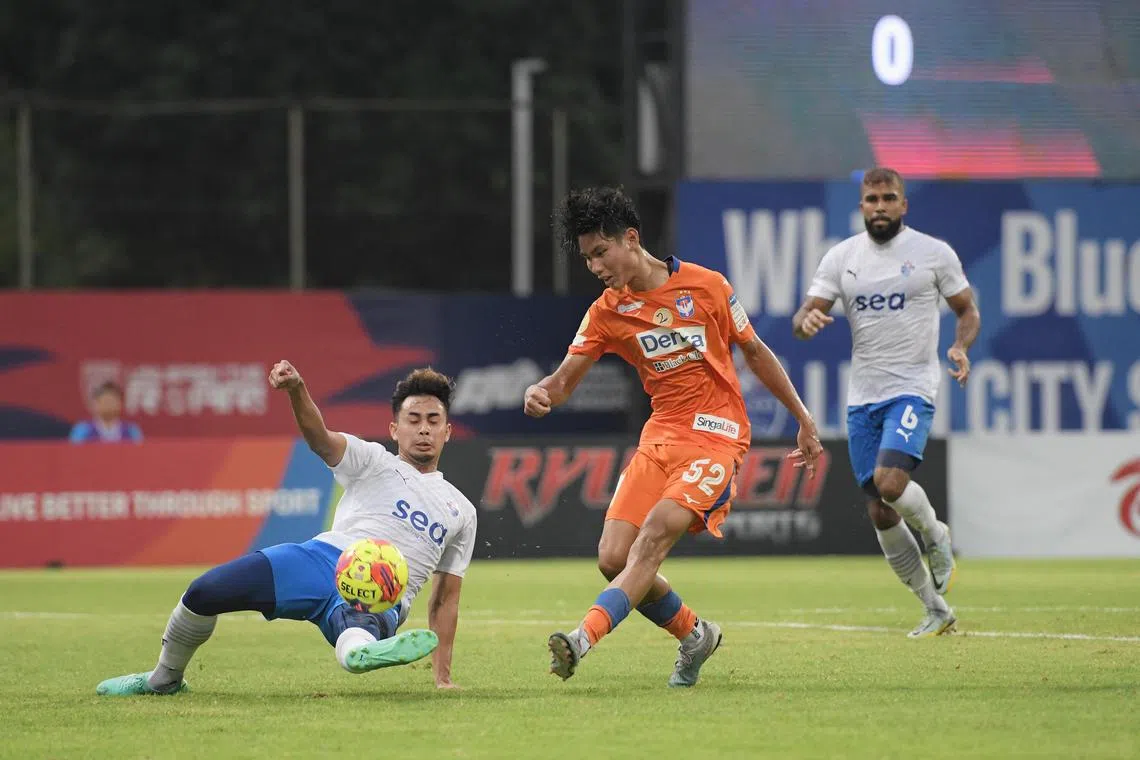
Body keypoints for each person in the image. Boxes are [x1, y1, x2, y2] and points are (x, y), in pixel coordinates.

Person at [524, 186, 822, 687]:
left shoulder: (708, 286)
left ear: (632, 239)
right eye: (587, 258)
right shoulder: (606, 311)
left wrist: (803, 418)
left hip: (717, 436)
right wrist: (541, 392)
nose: (594, 266)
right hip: (659, 437)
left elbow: (756, 352)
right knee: (612, 559)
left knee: (654, 536)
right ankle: (695, 635)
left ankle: (581, 639)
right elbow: (563, 381)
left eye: (601, 252)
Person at [96, 363, 477, 694]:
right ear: (394, 429)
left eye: (433, 421)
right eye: (413, 420)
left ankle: (361, 653)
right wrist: (297, 389)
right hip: (321, 557)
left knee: (356, 627)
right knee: (203, 592)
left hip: (384, 591)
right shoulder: (373, 460)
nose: (423, 429)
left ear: (447, 432)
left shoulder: (460, 510)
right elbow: (320, 438)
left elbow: (446, 599)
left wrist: (442, 677)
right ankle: (163, 679)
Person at [792, 167, 981, 638]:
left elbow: (967, 310)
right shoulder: (842, 257)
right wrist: (806, 323)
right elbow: (804, 314)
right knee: (879, 508)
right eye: (872, 199)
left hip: (912, 387)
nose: (880, 206)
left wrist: (960, 346)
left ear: (903, 205)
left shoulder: (933, 254)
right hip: (863, 398)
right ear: (862, 206)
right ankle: (935, 608)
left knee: (891, 483)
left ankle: (937, 536)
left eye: (888, 198)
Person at [69, 381, 143, 443]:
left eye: (112, 401)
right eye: (104, 401)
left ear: (120, 404)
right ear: (95, 404)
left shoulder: (131, 431)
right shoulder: (82, 430)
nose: (108, 405)